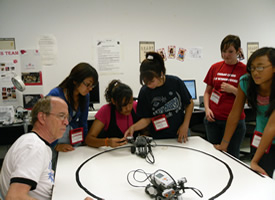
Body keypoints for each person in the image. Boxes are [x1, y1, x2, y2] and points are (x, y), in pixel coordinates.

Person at [215, 47, 275, 177]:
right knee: (261, 180)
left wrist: (253, 161)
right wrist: (224, 144)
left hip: (270, 131)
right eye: (252, 68)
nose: (255, 72)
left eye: (260, 67)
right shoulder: (246, 82)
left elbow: (272, 126)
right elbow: (234, 114)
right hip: (260, 137)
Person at [0, 96, 69, 199]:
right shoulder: (34, 147)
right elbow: (14, 197)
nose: (66, 122)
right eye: (61, 116)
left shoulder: (40, 145)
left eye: (67, 117)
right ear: (42, 117)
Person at [125, 52, 194, 143]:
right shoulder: (145, 92)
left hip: (180, 133)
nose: (149, 85)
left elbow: (189, 104)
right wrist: (133, 127)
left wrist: (185, 125)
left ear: (161, 74)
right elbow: (147, 119)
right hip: (158, 137)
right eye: (145, 82)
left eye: (152, 81)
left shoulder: (175, 82)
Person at [47, 62, 98, 169]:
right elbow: (44, 124)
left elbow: (83, 122)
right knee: (57, 172)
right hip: (55, 142)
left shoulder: (85, 96)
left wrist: (84, 142)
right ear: (75, 81)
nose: (90, 88)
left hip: (73, 140)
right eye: (87, 84)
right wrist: (55, 146)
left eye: (92, 85)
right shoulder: (56, 95)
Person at [203, 34, 247, 158]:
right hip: (213, 120)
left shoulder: (244, 70)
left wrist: (233, 90)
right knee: (215, 155)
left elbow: (249, 99)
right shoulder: (215, 67)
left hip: (234, 122)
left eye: (230, 51)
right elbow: (207, 92)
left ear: (238, 51)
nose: (226, 55)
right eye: (223, 51)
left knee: (232, 157)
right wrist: (207, 109)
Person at [85, 80, 139, 148]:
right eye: (123, 105)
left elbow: (145, 130)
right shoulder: (105, 111)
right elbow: (88, 139)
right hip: (111, 154)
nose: (128, 108)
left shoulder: (136, 106)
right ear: (113, 101)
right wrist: (107, 142)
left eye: (130, 102)